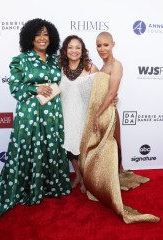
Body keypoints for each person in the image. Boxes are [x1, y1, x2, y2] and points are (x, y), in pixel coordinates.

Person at [0, 18, 71, 220]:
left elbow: (69, 81)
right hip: (30, 113)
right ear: (30, 37)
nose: (42, 38)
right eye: (38, 34)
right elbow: (14, 87)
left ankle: (50, 185)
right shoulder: (21, 59)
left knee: (50, 146)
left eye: (46, 34)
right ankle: (28, 187)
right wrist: (34, 88)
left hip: (52, 113)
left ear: (51, 37)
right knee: (30, 146)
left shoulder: (56, 60)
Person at [79, 32, 160, 223]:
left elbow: (111, 93)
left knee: (105, 149)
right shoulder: (103, 66)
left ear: (113, 44)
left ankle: (107, 184)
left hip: (105, 113)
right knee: (96, 149)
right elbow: (101, 91)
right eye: (98, 45)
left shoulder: (116, 65)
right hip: (100, 112)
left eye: (105, 45)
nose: (102, 49)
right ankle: (102, 181)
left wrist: (98, 114)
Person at [59, 35, 99, 192]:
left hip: (83, 117)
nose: (74, 50)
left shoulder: (90, 68)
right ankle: (78, 176)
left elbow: (103, 90)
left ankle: (86, 179)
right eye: (70, 47)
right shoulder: (60, 68)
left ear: (83, 51)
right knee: (70, 150)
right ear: (65, 50)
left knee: (83, 150)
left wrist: (113, 98)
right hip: (65, 116)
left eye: (77, 47)